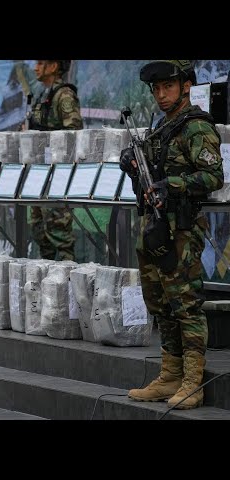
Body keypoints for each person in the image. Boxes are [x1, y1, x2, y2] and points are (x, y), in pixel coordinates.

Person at [120, 60, 223, 409]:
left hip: (181, 229)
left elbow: (213, 177)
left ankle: (192, 381)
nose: (161, 95)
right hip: (154, 227)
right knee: (160, 304)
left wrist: (172, 185)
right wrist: (133, 165)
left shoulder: (195, 127)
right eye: (157, 89)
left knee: (185, 305)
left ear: (185, 86)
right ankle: (170, 375)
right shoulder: (161, 128)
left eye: (168, 87)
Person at [27, 59, 83, 261]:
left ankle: (66, 279)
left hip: (57, 174)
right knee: (39, 229)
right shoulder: (43, 94)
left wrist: (44, 136)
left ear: (53, 66)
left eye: (41, 63)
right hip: (40, 171)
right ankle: (49, 279)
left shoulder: (64, 95)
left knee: (59, 231)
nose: (35, 67)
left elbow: (74, 133)